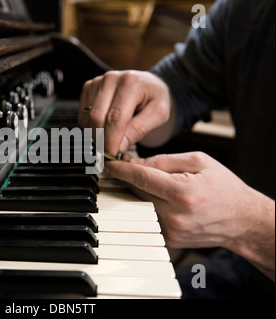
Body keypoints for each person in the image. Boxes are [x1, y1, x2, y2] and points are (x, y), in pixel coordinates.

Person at [78, 0, 274, 298]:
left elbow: (253, 228)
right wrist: (150, 94)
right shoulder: (244, 9)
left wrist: (253, 225)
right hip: (246, 267)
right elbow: (182, 86)